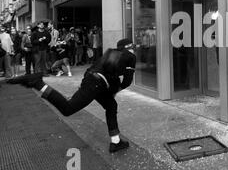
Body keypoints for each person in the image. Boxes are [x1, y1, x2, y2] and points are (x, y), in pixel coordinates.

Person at [7, 39, 137, 153]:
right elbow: (127, 81)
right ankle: (38, 83)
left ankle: (116, 141)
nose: (133, 50)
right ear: (129, 47)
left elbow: (106, 72)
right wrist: (117, 89)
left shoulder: (111, 52)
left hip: (92, 79)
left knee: (111, 105)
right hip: (97, 84)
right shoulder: (130, 56)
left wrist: (109, 89)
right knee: (68, 109)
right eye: (133, 47)